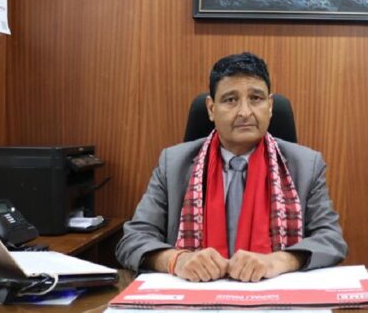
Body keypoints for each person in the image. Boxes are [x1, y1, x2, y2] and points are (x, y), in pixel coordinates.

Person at [116, 52, 347, 282]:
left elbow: (331, 240)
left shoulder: (306, 165)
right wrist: (177, 260)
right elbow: (133, 240)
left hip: (272, 294)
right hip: (197, 294)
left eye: (256, 98)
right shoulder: (173, 164)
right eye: (230, 100)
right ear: (211, 109)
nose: (245, 112)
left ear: (270, 106)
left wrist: (278, 261)